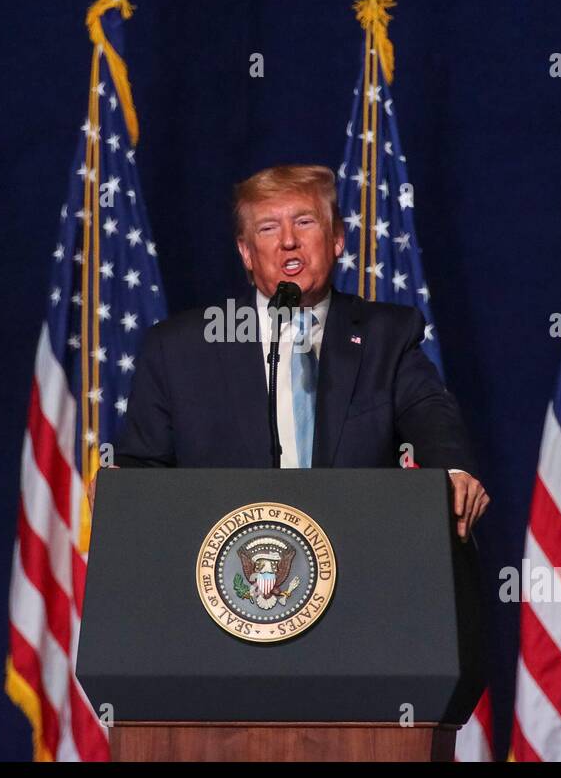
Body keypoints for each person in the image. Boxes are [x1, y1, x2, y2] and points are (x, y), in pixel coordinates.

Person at [114, 164, 489, 539]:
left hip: (358, 558)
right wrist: (121, 484)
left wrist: (454, 471)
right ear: (246, 252)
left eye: (305, 222)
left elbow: (429, 415)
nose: (288, 241)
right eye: (268, 228)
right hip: (225, 571)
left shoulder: (386, 336)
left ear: (337, 239)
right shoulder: (179, 347)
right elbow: (143, 464)